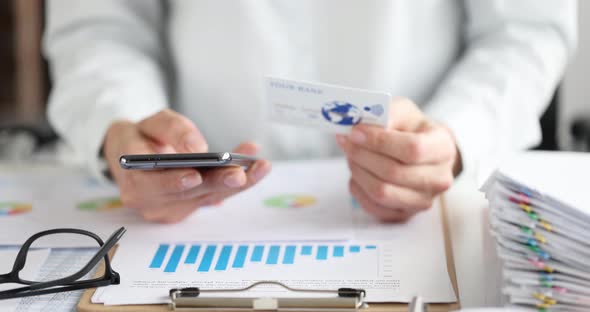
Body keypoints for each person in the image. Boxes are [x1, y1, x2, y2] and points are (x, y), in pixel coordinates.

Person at [44, 1, 577, 223]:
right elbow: (99, 25)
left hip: (429, 204)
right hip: (194, 208)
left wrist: (456, 134)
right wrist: (126, 125)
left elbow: (523, 28)